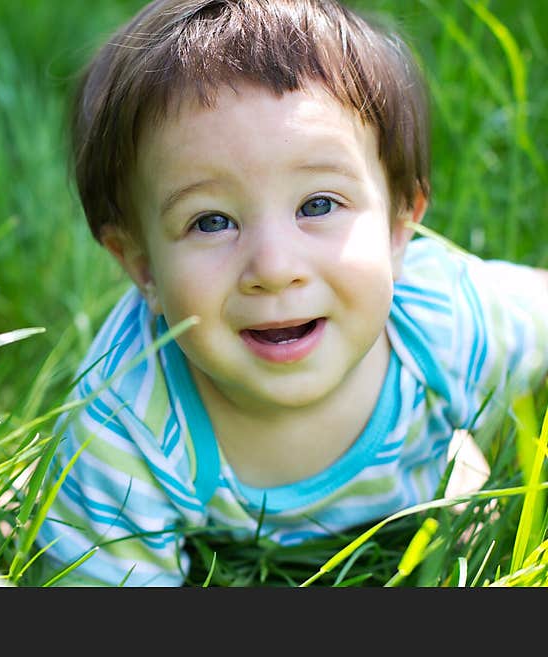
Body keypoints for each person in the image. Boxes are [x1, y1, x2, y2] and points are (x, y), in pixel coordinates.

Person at [33, 0, 548, 586]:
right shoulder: (126, 427)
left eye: (318, 205)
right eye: (211, 221)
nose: (274, 268)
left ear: (400, 228)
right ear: (142, 266)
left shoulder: (446, 323)